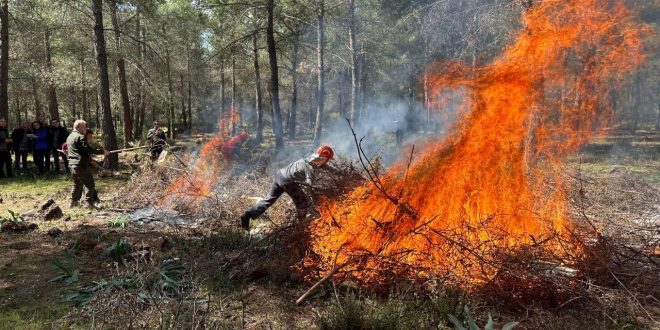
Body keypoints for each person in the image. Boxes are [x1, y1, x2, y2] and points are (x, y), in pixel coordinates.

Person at [240, 145, 334, 230]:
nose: (327, 162)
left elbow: (324, 166)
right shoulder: (310, 168)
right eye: (327, 159)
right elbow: (310, 186)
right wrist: (316, 200)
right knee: (303, 202)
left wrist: (341, 172)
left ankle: (248, 215)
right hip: (288, 181)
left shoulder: (309, 157)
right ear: (322, 158)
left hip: (279, 175)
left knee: (269, 199)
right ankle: (301, 227)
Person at [67, 120, 109, 208]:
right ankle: (89, 203)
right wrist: (101, 151)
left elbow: (80, 151)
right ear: (78, 127)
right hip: (80, 164)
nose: (85, 129)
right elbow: (87, 149)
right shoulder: (80, 136)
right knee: (89, 183)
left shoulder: (70, 136)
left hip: (72, 164)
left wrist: (90, 159)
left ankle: (74, 202)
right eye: (84, 127)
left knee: (77, 183)